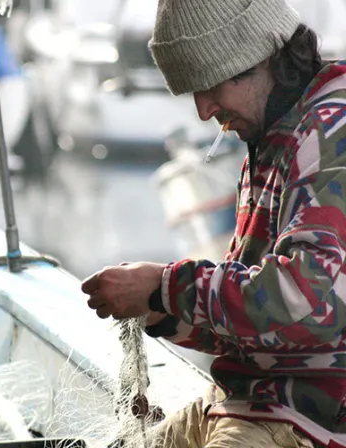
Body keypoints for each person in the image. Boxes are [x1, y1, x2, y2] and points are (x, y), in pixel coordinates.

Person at [81, 0, 346, 447]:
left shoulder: (330, 134)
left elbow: (307, 299)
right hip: (253, 399)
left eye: (208, 86)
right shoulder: (274, 135)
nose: (204, 111)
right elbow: (255, 327)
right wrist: (160, 311)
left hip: (313, 416)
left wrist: (166, 285)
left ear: (260, 59)